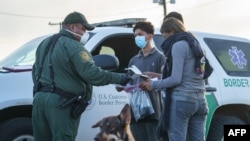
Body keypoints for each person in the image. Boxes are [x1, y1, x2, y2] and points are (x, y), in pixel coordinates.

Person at [32, 11, 130, 141]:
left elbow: (35, 71)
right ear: (72, 27)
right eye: (83, 29)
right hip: (61, 104)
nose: (85, 33)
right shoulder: (74, 46)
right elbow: (92, 74)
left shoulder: (44, 44)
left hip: (39, 101)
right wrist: (120, 78)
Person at [139, 17, 208, 141]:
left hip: (183, 100)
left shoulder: (178, 45)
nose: (165, 40)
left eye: (165, 36)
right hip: (201, 101)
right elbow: (191, 75)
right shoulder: (196, 44)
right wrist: (158, 76)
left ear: (171, 32)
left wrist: (152, 85)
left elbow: (176, 79)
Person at [118, 21, 165, 141]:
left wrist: (152, 81)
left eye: (140, 34)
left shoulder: (160, 57)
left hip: (153, 112)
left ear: (150, 36)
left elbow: (167, 79)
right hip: (136, 113)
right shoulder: (134, 60)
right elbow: (130, 81)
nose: (137, 37)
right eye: (135, 35)